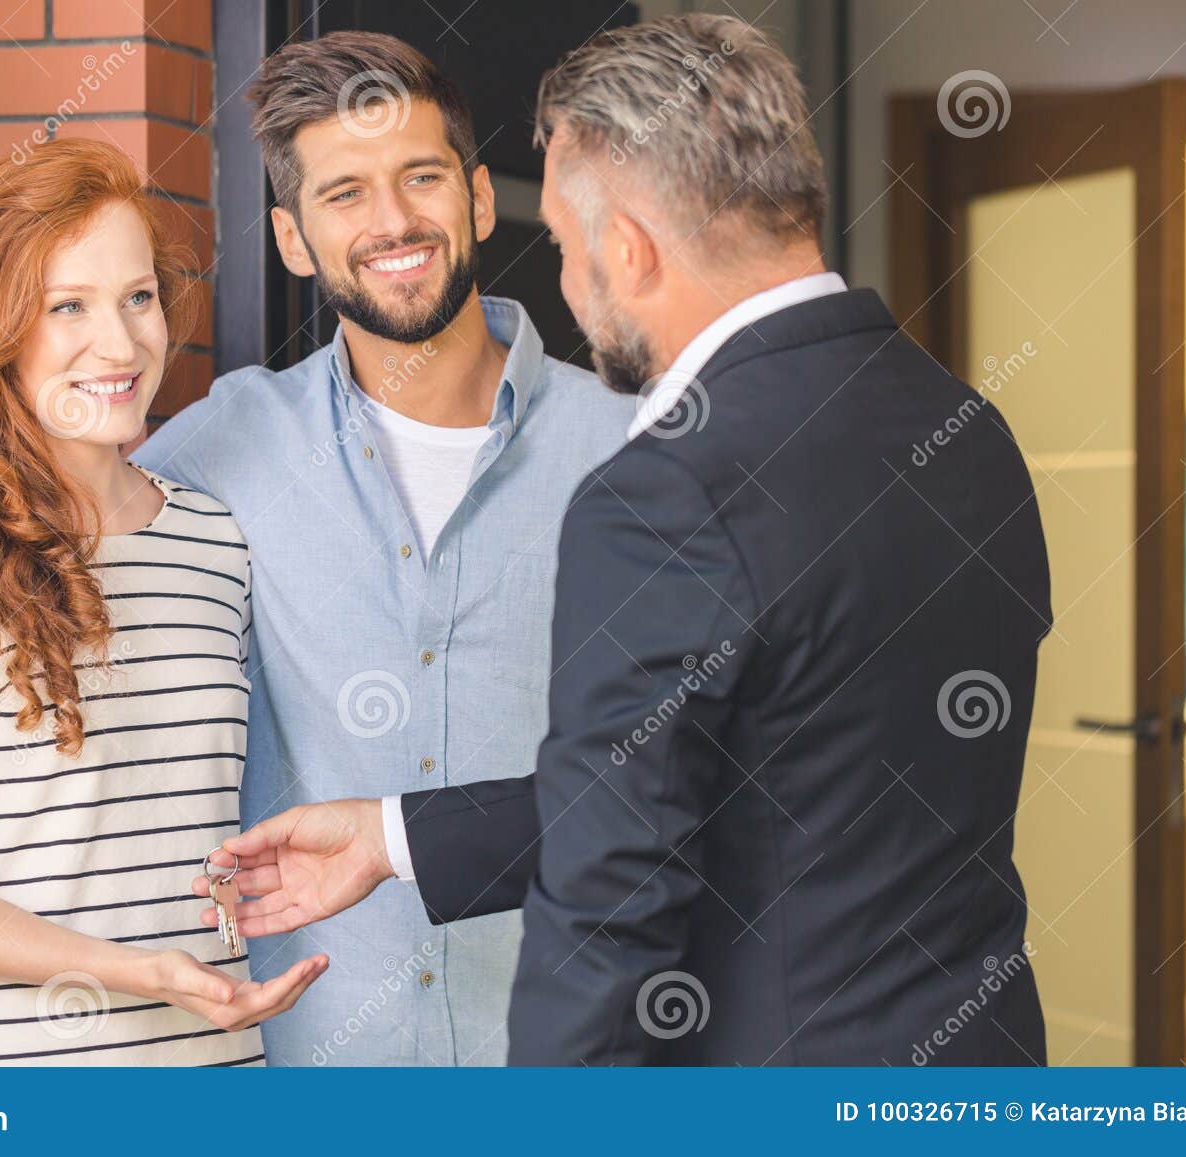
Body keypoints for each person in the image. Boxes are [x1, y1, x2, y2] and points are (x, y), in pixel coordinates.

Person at [205, 14, 1053, 1067]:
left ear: (628, 249)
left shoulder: (662, 485)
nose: (563, 278)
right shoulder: (967, 430)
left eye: (562, 241)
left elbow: (608, 909)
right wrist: (393, 837)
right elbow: (756, 779)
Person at [0, 33, 634, 1066]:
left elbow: (718, 758)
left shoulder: (635, 448)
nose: (390, 222)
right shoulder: (221, 455)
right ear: (290, 239)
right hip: (276, 1062)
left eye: (418, 178)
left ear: (475, 198)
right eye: (342, 194)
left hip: (547, 1053)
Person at [0, 139, 324, 1066]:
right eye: (68, 307)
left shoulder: (217, 542)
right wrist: (138, 972)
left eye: (138, 297)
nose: (121, 343)